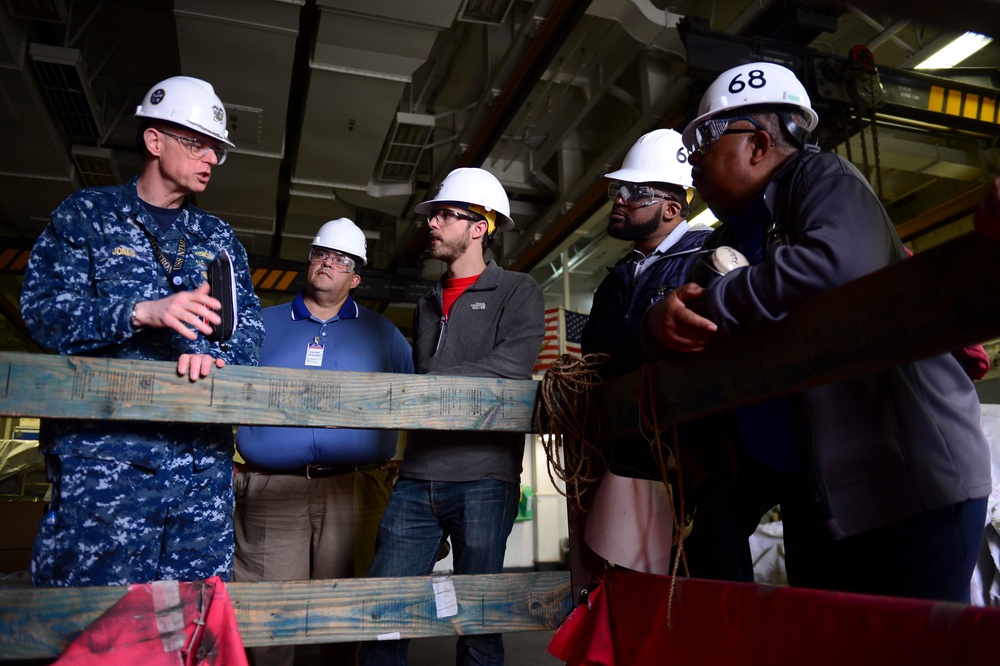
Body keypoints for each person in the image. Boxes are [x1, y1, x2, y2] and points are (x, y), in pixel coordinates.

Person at [643, 61, 991, 602]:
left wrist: (717, 300)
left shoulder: (820, 177)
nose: (694, 170)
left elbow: (835, 264)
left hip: (908, 488)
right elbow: (699, 318)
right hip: (823, 500)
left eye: (704, 145)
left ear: (758, 143)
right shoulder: (732, 234)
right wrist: (665, 317)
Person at [20, 75, 265, 587]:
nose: (211, 160)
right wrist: (138, 312)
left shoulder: (217, 239)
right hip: (104, 471)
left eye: (216, 150)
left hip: (198, 475)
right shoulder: (88, 216)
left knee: (189, 628)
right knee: (94, 631)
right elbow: (42, 313)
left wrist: (220, 359)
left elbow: (249, 330)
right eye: (197, 144)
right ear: (154, 141)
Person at [359, 167, 545, 666]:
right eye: (434, 215)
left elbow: (512, 366)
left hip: (485, 476)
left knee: (479, 623)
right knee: (383, 615)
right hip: (417, 477)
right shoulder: (424, 303)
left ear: (479, 226)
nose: (433, 224)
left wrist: (432, 382)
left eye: (444, 214)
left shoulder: (517, 291)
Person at [233, 217, 413, 666]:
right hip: (272, 489)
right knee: (268, 616)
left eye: (340, 259)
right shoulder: (261, 325)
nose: (327, 262)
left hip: (353, 490)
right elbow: (220, 389)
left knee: (347, 616)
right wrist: (223, 460)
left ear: (355, 278)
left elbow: (417, 401)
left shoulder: (383, 334)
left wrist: (407, 470)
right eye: (320, 253)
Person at [580, 129, 754, 581]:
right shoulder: (616, 281)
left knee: (713, 575)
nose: (619, 199)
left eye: (635, 192)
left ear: (672, 209)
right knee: (635, 581)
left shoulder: (708, 260)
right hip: (629, 455)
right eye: (619, 189)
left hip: (697, 456)